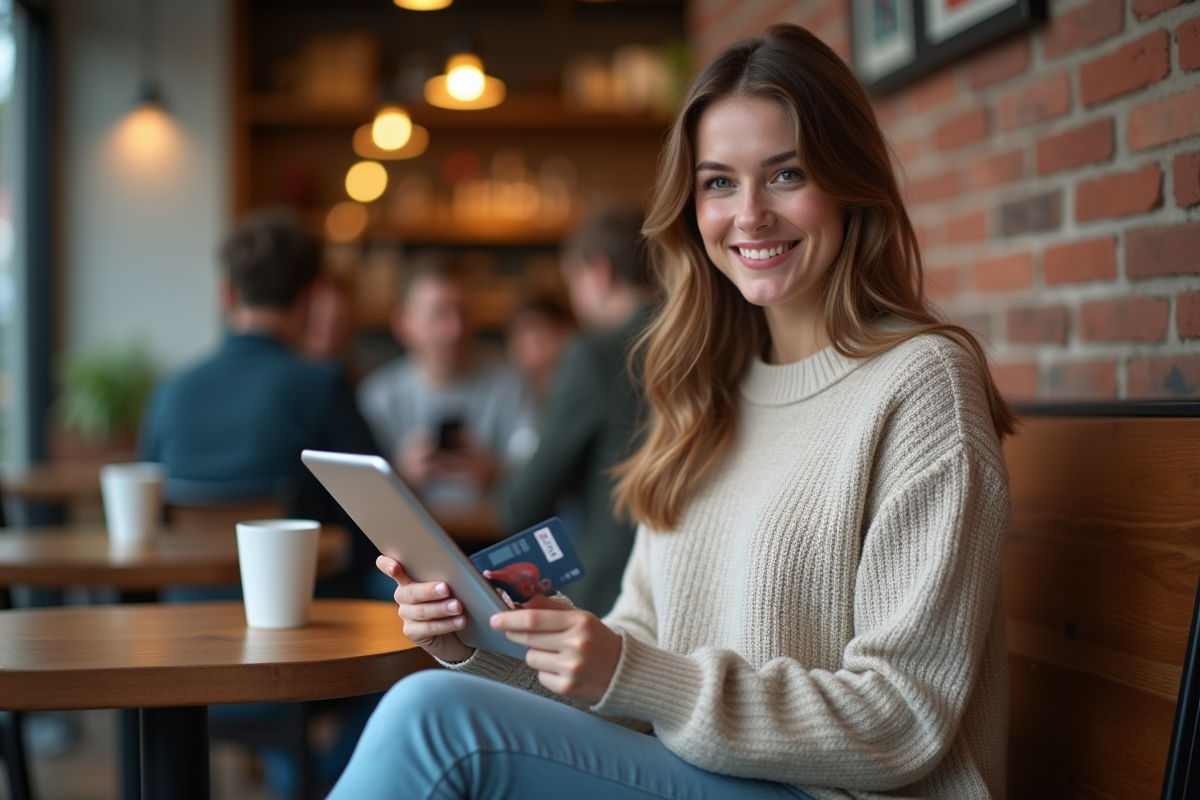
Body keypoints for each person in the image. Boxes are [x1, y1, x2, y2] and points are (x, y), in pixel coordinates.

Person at [332, 24, 1016, 800]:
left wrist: (636, 674)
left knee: (433, 721)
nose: (749, 215)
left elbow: (903, 718)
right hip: (703, 774)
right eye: (719, 182)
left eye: (786, 174)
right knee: (437, 699)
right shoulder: (703, 390)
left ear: (850, 182)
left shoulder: (920, 383)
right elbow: (641, 660)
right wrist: (479, 643)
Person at [140, 208, 378, 560]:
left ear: (227, 294)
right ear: (312, 296)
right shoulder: (323, 387)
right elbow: (375, 522)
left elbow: (152, 517)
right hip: (304, 607)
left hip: (186, 605)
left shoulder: (170, 392)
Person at [496, 204, 654, 616]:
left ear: (598, 272)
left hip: (613, 597)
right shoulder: (707, 340)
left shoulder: (594, 355)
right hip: (695, 586)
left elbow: (522, 503)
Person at [356, 256, 535, 509]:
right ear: (404, 324)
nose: (456, 329)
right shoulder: (377, 395)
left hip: (495, 540)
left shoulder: (512, 383)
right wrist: (398, 477)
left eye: (462, 312)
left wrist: (495, 472)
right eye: (439, 315)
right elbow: (361, 500)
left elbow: (538, 476)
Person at [504, 293, 576, 417]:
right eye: (522, 347)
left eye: (542, 341)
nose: (533, 357)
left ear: (568, 334)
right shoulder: (510, 398)